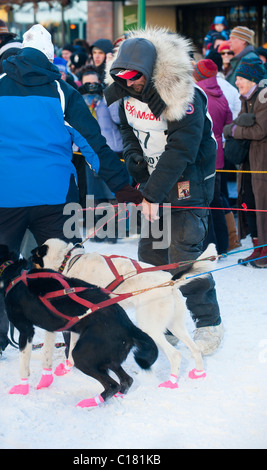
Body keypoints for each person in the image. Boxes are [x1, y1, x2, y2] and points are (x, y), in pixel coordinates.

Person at [0, 24, 142, 359]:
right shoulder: (62, 91)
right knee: (65, 265)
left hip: (3, 195)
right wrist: (121, 185)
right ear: (50, 58)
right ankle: (73, 329)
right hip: (54, 194)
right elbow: (93, 144)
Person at [104, 27, 224, 355]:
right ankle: (165, 320)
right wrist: (134, 161)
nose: (128, 83)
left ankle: (209, 323)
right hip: (153, 188)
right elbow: (126, 131)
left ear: (152, 70)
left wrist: (151, 195)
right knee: (153, 257)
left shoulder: (185, 98)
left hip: (189, 184)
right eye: (121, 76)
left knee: (183, 257)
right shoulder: (126, 95)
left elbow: (182, 150)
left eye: (135, 76)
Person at [223, 57, 267, 268]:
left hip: (262, 163)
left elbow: (259, 131)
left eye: (240, 78)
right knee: (249, 202)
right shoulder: (245, 98)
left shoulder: (263, 97)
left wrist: (234, 130)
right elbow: (237, 123)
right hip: (248, 162)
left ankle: (265, 250)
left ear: (252, 80)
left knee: (263, 205)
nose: (236, 82)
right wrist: (237, 127)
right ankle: (257, 247)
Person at [193, 59, 236, 254]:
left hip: (202, 153)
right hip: (218, 152)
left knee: (204, 201)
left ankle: (209, 246)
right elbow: (228, 122)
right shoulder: (221, 93)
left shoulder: (196, 94)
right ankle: (223, 244)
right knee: (216, 199)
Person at [78, 64, 124, 243]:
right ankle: (98, 230)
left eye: (93, 82)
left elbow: (118, 119)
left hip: (110, 150)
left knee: (111, 193)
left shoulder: (108, 99)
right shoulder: (79, 100)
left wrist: (107, 97)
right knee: (94, 194)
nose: (91, 87)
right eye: (86, 83)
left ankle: (112, 231)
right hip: (89, 152)